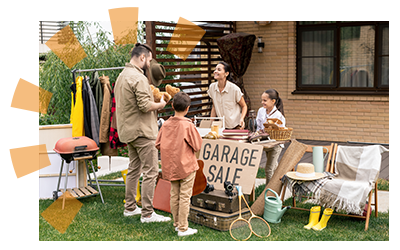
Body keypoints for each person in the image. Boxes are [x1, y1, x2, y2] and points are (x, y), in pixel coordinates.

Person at [114, 43, 170, 223]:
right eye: (150, 59)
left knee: (134, 170)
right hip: (143, 132)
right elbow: (145, 106)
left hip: (129, 131)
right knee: (151, 171)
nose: (150, 63)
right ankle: (147, 213)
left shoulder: (122, 76)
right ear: (142, 58)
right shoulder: (138, 78)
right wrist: (161, 104)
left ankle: (130, 207)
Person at [155, 92, 203, 236]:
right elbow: (197, 145)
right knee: (184, 196)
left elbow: (157, 144)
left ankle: (177, 224)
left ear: (172, 106)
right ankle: (183, 227)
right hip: (187, 166)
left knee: (174, 195)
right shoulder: (188, 126)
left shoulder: (166, 124)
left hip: (170, 166)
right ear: (188, 108)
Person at [256, 89, 286, 185]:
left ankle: (268, 192)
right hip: (265, 143)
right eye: (262, 100)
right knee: (274, 167)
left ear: (273, 101)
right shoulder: (261, 111)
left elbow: (280, 133)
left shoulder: (279, 116)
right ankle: (279, 184)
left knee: (269, 169)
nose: (262, 102)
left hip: (275, 145)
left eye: (265, 100)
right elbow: (259, 127)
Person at [207, 62, 247, 129]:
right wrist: (210, 124)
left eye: (219, 70)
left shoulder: (234, 89)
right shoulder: (212, 87)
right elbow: (214, 107)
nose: (215, 71)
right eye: (215, 69)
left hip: (236, 126)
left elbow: (244, 106)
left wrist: (242, 119)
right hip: (222, 127)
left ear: (226, 73)